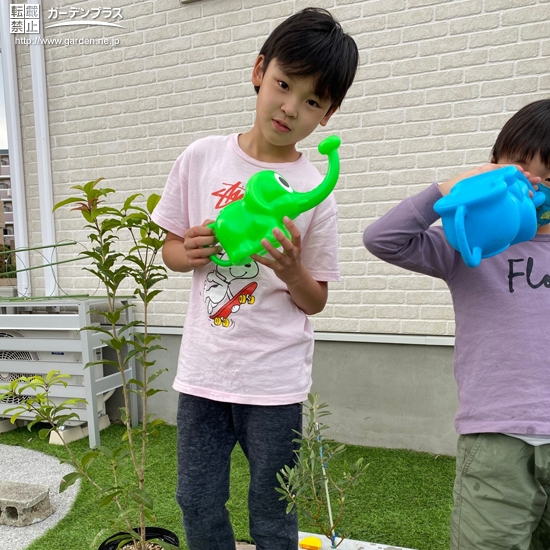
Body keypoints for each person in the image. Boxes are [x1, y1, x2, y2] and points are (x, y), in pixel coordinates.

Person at [151, 8, 358, 550]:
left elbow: (316, 302)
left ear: (328, 113)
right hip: (203, 373)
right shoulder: (202, 158)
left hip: (274, 381)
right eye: (284, 84)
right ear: (259, 70)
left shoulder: (316, 190)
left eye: (312, 100)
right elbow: (169, 248)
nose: (290, 108)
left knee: (272, 510)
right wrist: (187, 250)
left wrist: (291, 269)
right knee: (196, 499)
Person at [363, 99, 550, 550]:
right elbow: (383, 239)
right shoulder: (468, 244)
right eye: (522, 171)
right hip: (496, 440)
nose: (537, 186)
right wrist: (451, 187)